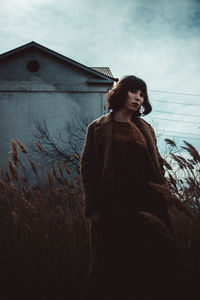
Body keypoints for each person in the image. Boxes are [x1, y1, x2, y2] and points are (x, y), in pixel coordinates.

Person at [80, 75, 186, 300]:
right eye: (134, 91)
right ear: (121, 92)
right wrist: (93, 207)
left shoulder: (145, 128)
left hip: (146, 204)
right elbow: (88, 169)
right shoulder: (97, 128)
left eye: (142, 94)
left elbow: (157, 162)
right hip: (113, 205)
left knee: (148, 263)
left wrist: (162, 193)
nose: (138, 98)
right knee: (111, 265)